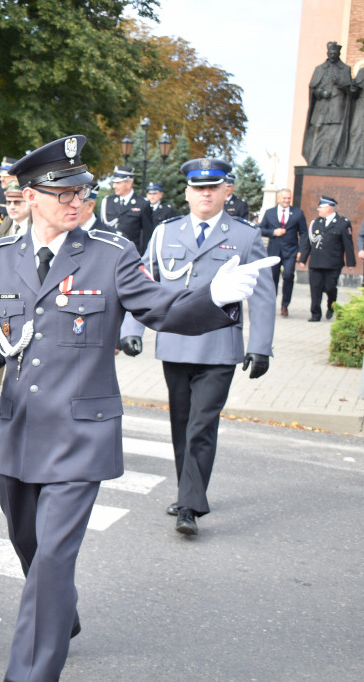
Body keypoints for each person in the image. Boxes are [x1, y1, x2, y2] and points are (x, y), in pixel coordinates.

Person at [0, 137, 273, 682]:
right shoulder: (2, 257)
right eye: (62, 193)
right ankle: (60, 613)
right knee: (27, 544)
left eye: (82, 192)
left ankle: (29, 672)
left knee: (54, 558)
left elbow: (162, 308)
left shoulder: (110, 252)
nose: (76, 203)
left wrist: (215, 296)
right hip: (18, 427)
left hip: (81, 432)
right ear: (30, 195)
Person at [119, 158, 277, 536]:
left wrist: (261, 346)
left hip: (219, 345)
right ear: (187, 193)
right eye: (198, 188)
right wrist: (132, 327)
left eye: (213, 187)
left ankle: (190, 504)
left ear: (227, 191)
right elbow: (144, 283)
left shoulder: (245, 235)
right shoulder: (164, 233)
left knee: (202, 426)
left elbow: (264, 295)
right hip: (175, 343)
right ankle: (185, 489)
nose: (205, 194)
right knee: (180, 424)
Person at [299, 195, 356, 321]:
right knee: (315, 289)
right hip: (316, 261)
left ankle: (331, 305)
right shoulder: (316, 222)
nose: (318, 210)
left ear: (329, 208)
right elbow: (309, 242)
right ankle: (315, 314)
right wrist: (303, 259)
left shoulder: (342, 223)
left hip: (333, 263)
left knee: (330, 287)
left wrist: (350, 262)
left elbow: (348, 244)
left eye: (321, 207)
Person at [258, 188, 308, 316]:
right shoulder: (270, 213)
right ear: (278, 199)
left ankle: (285, 304)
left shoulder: (298, 213)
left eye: (289, 198)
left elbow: (303, 233)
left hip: (291, 251)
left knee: (288, 276)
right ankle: (270, 303)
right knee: (272, 278)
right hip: (274, 250)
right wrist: (273, 232)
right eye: (284, 198)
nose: (287, 201)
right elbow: (261, 229)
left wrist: (301, 250)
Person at [303, 41, 353, 167]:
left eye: (335, 52)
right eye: (331, 52)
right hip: (321, 108)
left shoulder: (345, 69)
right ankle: (315, 160)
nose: (333, 54)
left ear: (339, 53)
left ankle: (333, 161)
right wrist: (320, 92)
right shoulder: (319, 69)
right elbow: (313, 88)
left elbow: (349, 89)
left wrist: (340, 82)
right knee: (318, 133)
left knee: (335, 135)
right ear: (327, 53)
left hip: (337, 108)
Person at [99, 165, 154, 253]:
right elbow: (100, 229)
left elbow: (147, 235)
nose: (114, 186)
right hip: (108, 252)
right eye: (114, 183)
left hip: (130, 254)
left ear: (129, 183)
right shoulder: (107, 201)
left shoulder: (142, 204)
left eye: (118, 183)